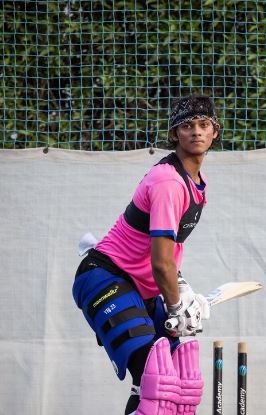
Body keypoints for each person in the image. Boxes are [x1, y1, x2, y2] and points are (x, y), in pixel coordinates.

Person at [72, 95, 221, 415]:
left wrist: (184, 290)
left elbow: (168, 255)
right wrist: (178, 306)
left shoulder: (197, 184)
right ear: (174, 134)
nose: (196, 131)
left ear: (214, 133)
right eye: (187, 125)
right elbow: (161, 262)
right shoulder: (168, 181)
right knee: (159, 378)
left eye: (203, 125)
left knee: (182, 385)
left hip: (141, 284)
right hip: (105, 275)